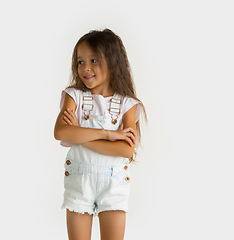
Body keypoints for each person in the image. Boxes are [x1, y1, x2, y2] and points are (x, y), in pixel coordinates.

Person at [54, 28, 147, 240]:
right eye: (80, 62)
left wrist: (79, 135)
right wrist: (107, 134)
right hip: (80, 183)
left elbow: (125, 149)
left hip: (113, 186)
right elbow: (60, 132)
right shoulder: (74, 96)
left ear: (113, 62)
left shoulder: (127, 104)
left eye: (94, 60)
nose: (85, 68)